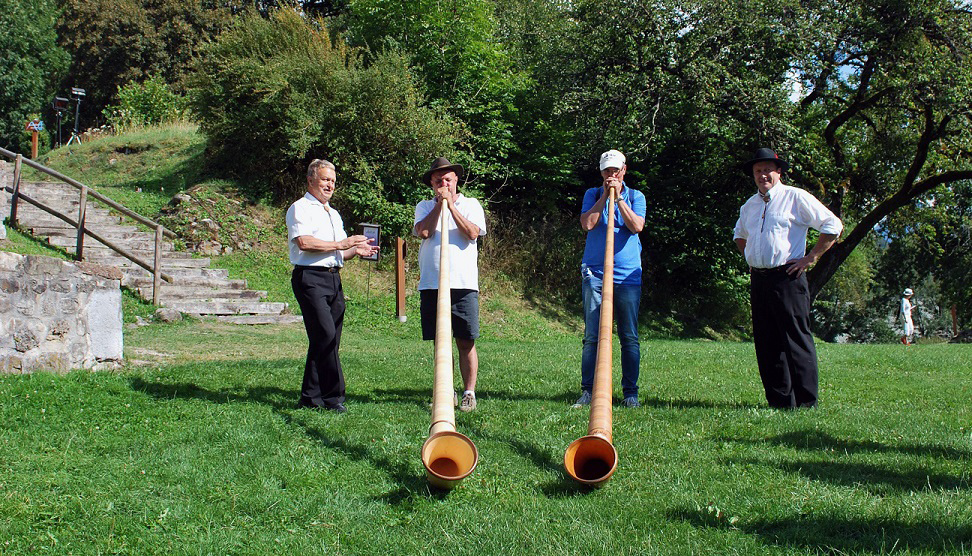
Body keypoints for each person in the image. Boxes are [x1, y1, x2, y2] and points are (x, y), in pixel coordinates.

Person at [733, 148, 842, 409]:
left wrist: (810, 258)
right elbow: (739, 234)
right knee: (766, 341)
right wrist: (751, 257)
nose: (763, 175)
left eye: (768, 170)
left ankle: (806, 402)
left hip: (788, 277)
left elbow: (833, 225)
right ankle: (780, 401)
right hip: (759, 280)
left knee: (796, 339)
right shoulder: (750, 205)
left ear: (778, 171)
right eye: (758, 171)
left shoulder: (795, 197)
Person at [287, 159, 378, 413]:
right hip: (310, 279)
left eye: (333, 182)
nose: (330, 185)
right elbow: (304, 242)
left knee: (327, 339)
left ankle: (310, 397)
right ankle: (333, 398)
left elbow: (339, 254)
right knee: (325, 335)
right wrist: (342, 244)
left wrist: (356, 250)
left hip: (333, 278)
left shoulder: (333, 214)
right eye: (326, 179)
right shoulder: (300, 208)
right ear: (311, 180)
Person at [573, 149, 646, 409]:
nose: (611, 175)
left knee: (629, 336)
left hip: (627, 275)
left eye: (616, 170)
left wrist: (619, 201)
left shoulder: (636, 196)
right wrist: (605, 196)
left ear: (624, 169)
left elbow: (637, 226)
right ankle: (588, 391)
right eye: (607, 171)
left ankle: (630, 394)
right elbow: (587, 224)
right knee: (593, 335)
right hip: (595, 273)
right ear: (601, 173)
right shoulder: (592, 194)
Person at [413, 157, 487, 412]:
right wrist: (439, 206)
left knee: (465, 340)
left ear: (456, 181)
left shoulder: (471, 204)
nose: (443, 184)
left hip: (463, 284)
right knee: (440, 341)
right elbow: (424, 232)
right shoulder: (424, 206)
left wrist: (451, 207)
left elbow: (473, 233)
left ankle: (469, 392)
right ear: (432, 185)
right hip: (432, 284)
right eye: (438, 181)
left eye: (448, 180)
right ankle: (445, 391)